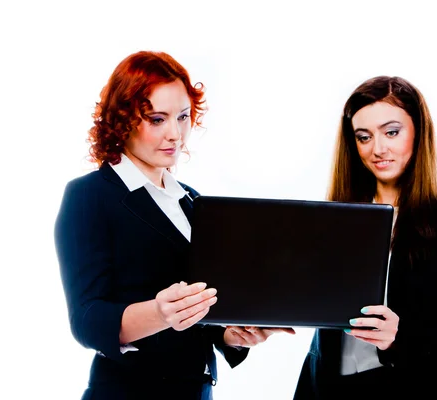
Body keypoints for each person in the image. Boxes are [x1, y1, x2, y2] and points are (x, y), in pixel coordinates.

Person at [54, 50, 293, 400]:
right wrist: (160, 312)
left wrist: (234, 335)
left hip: (196, 391)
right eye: (156, 119)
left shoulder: (193, 202)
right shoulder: (90, 195)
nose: (175, 134)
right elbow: (87, 319)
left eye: (182, 117)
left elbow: (204, 319)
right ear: (121, 120)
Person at [293, 76, 437, 399]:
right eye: (363, 137)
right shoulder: (335, 217)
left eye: (391, 132)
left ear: (418, 132)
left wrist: (398, 338)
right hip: (331, 390)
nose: (378, 149)